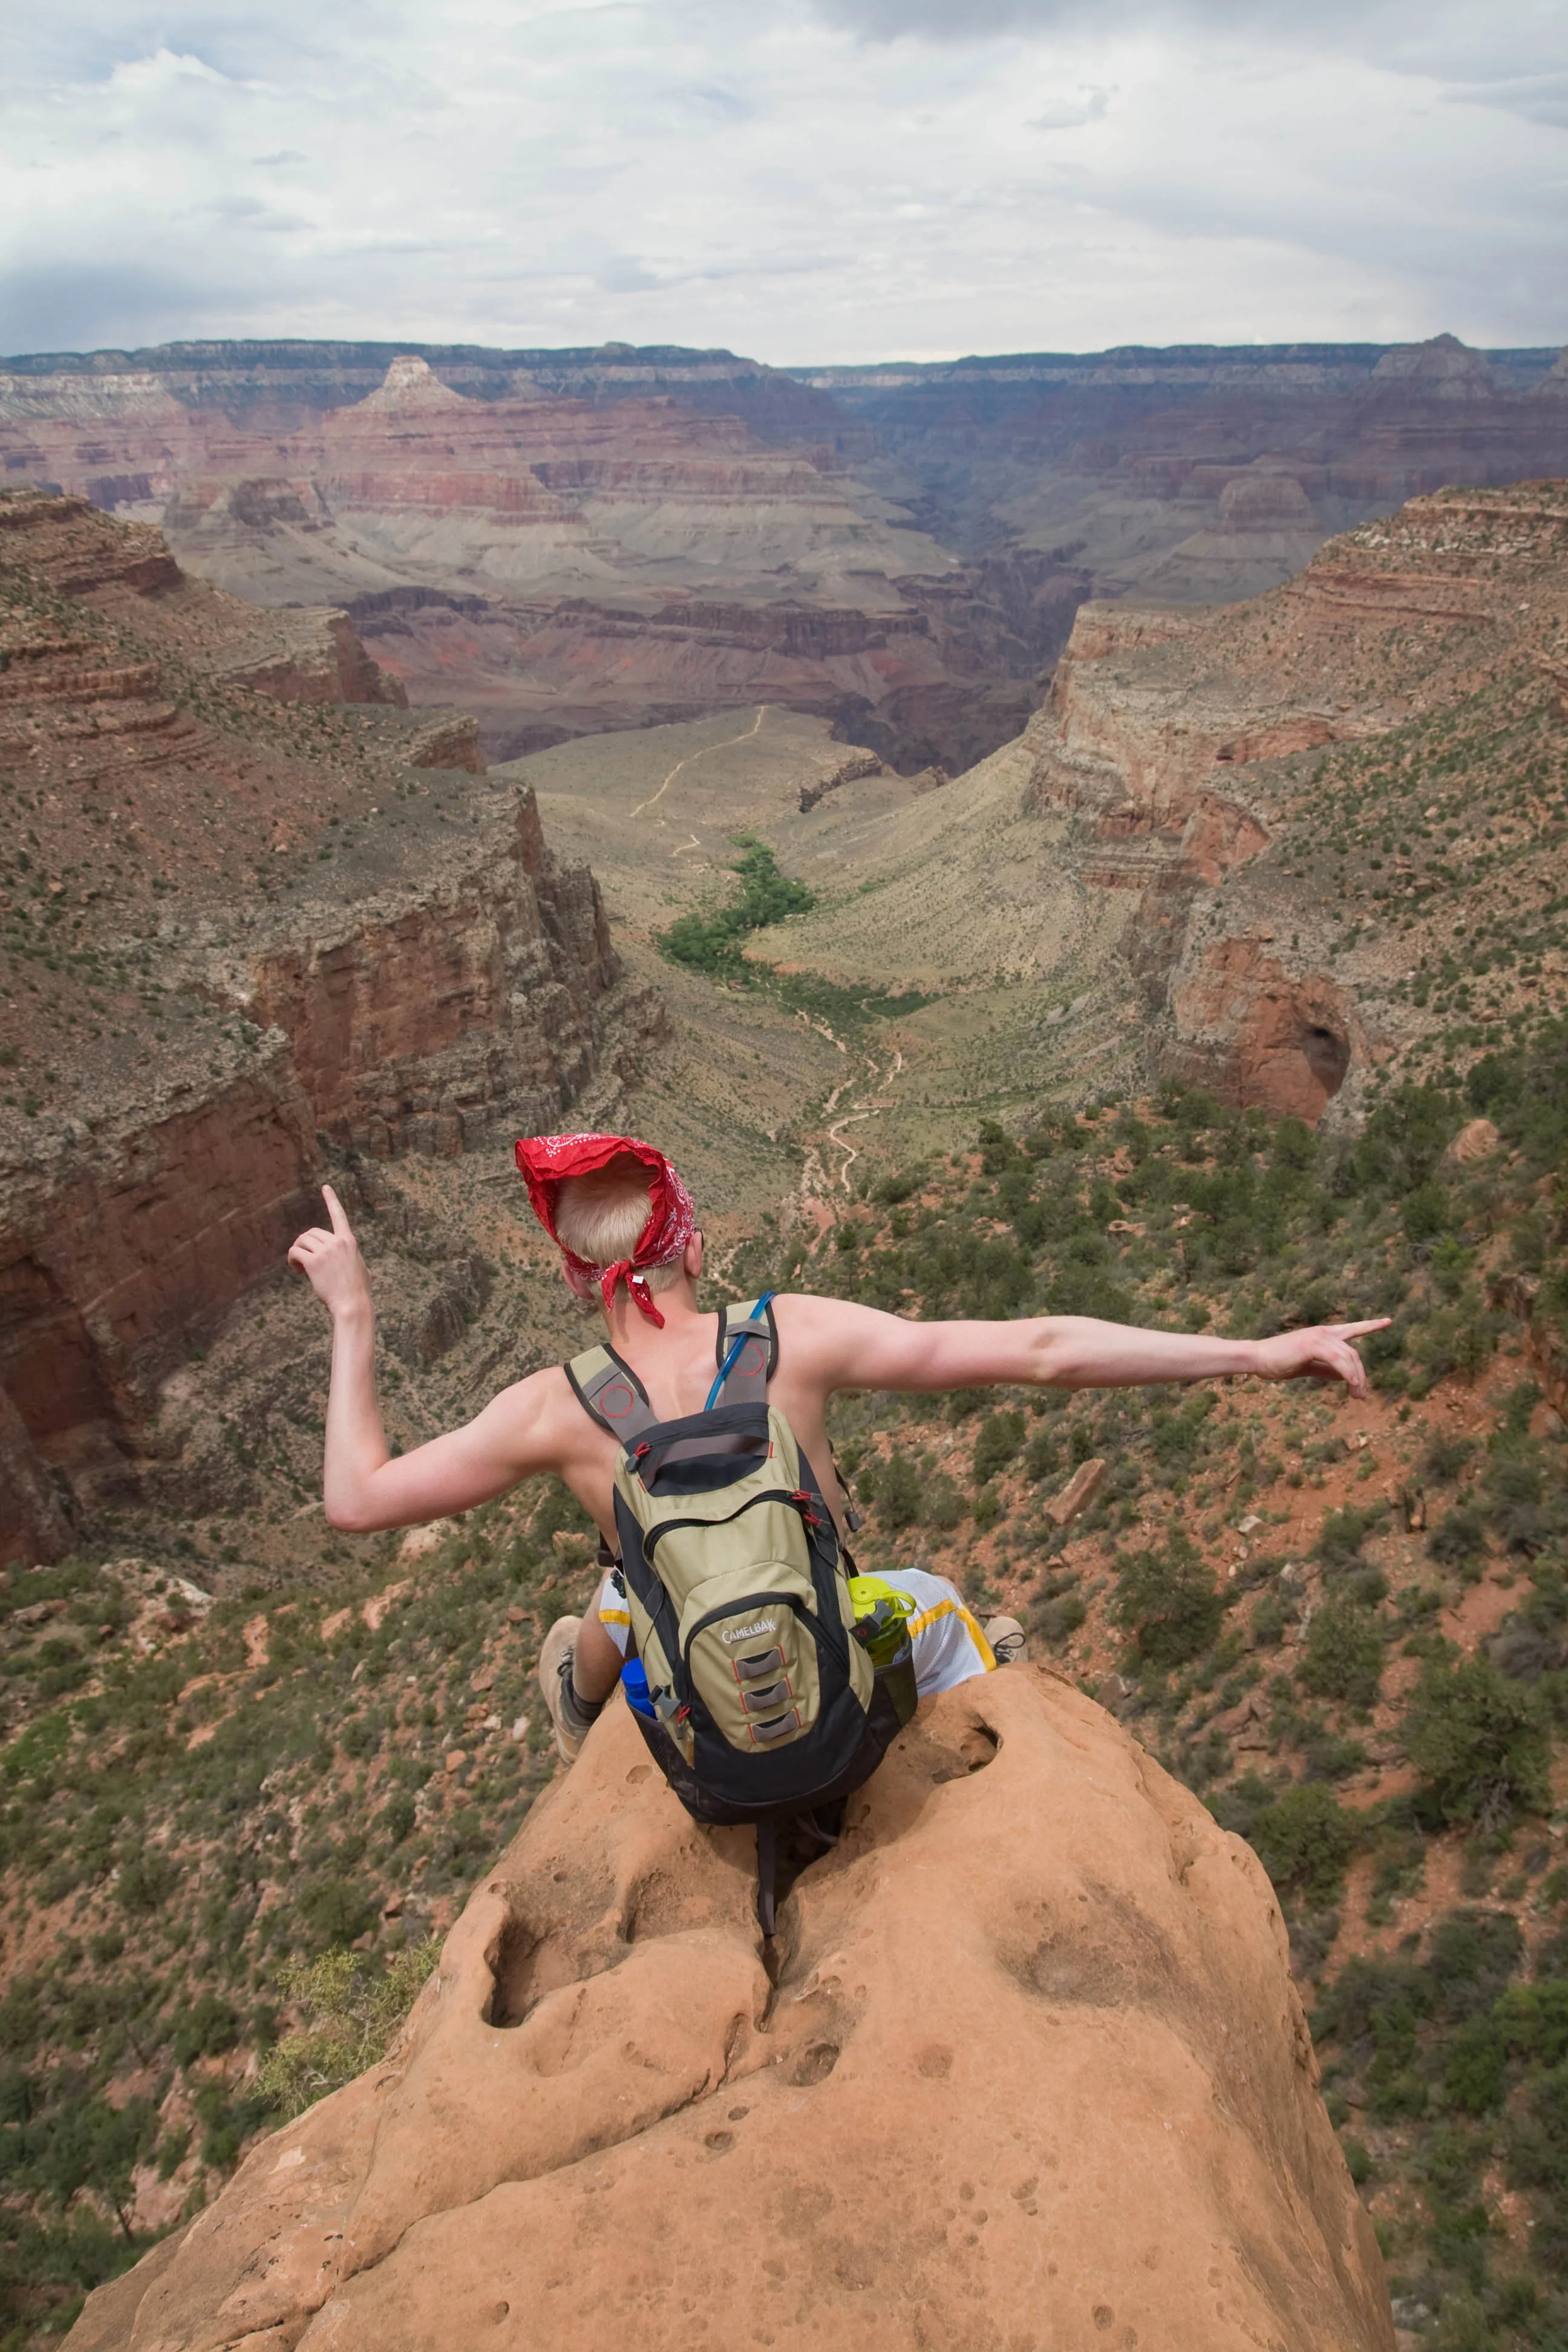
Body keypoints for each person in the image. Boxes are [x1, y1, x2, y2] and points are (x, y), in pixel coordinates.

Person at [287, 1131, 1387, 1765]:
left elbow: (358, 1499)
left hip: (701, 1738)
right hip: (830, 1693)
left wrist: (353, 1315)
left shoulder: (554, 1409)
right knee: (950, 1605)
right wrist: (1257, 1348)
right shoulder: (791, 1338)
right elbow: (1043, 1349)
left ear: (578, 1278)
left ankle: (579, 1700)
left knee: (624, 1595)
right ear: (695, 1247)